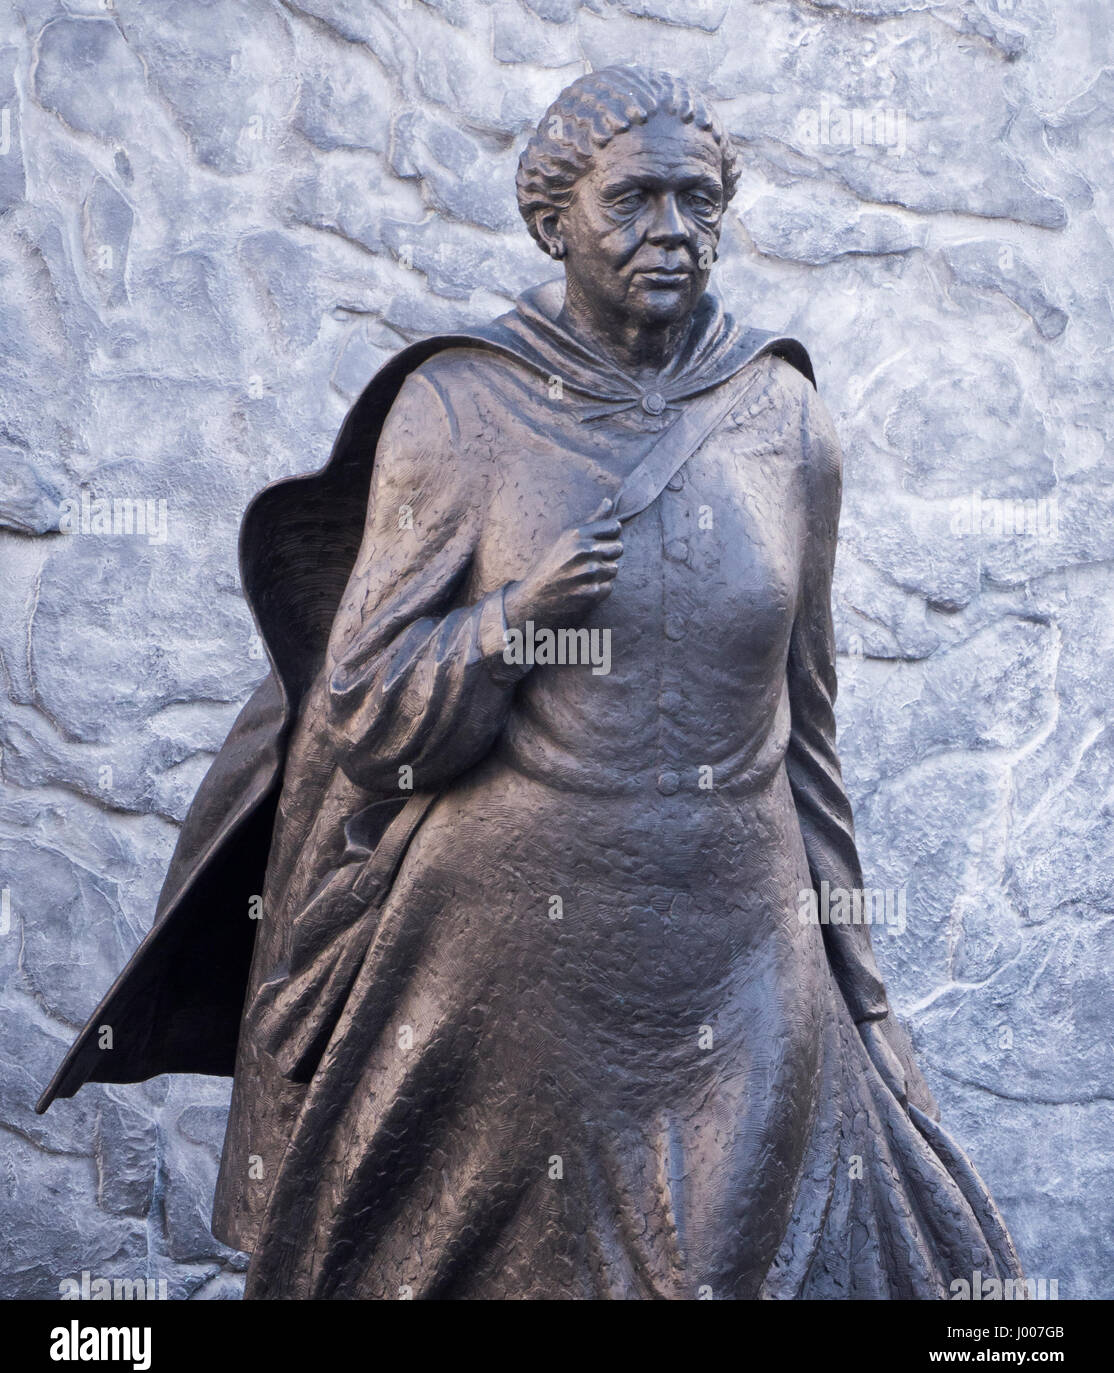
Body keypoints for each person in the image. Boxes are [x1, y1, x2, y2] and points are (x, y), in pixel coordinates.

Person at [39, 66, 1023, 1300]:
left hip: (741, 943)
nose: (673, 231)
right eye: (635, 200)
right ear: (555, 220)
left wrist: (866, 999)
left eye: (699, 200)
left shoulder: (783, 419)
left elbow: (807, 735)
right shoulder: (461, 408)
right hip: (510, 956)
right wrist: (517, 619)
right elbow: (359, 711)